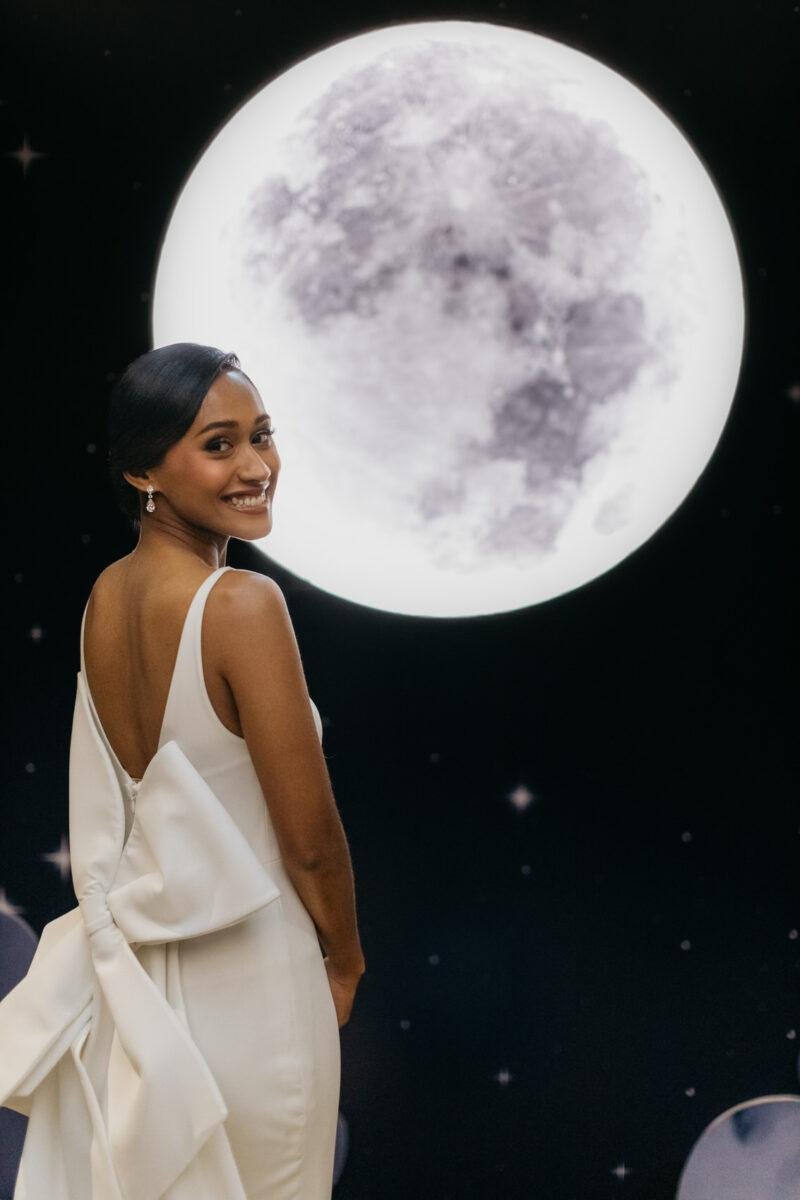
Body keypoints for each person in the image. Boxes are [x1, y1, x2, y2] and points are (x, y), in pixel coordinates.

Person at [0, 342, 365, 1199]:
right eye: (219, 444)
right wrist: (344, 961)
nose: (257, 466)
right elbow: (309, 839)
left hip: (145, 998)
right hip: (259, 990)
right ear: (142, 473)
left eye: (262, 436)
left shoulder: (106, 596)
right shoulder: (244, 605)